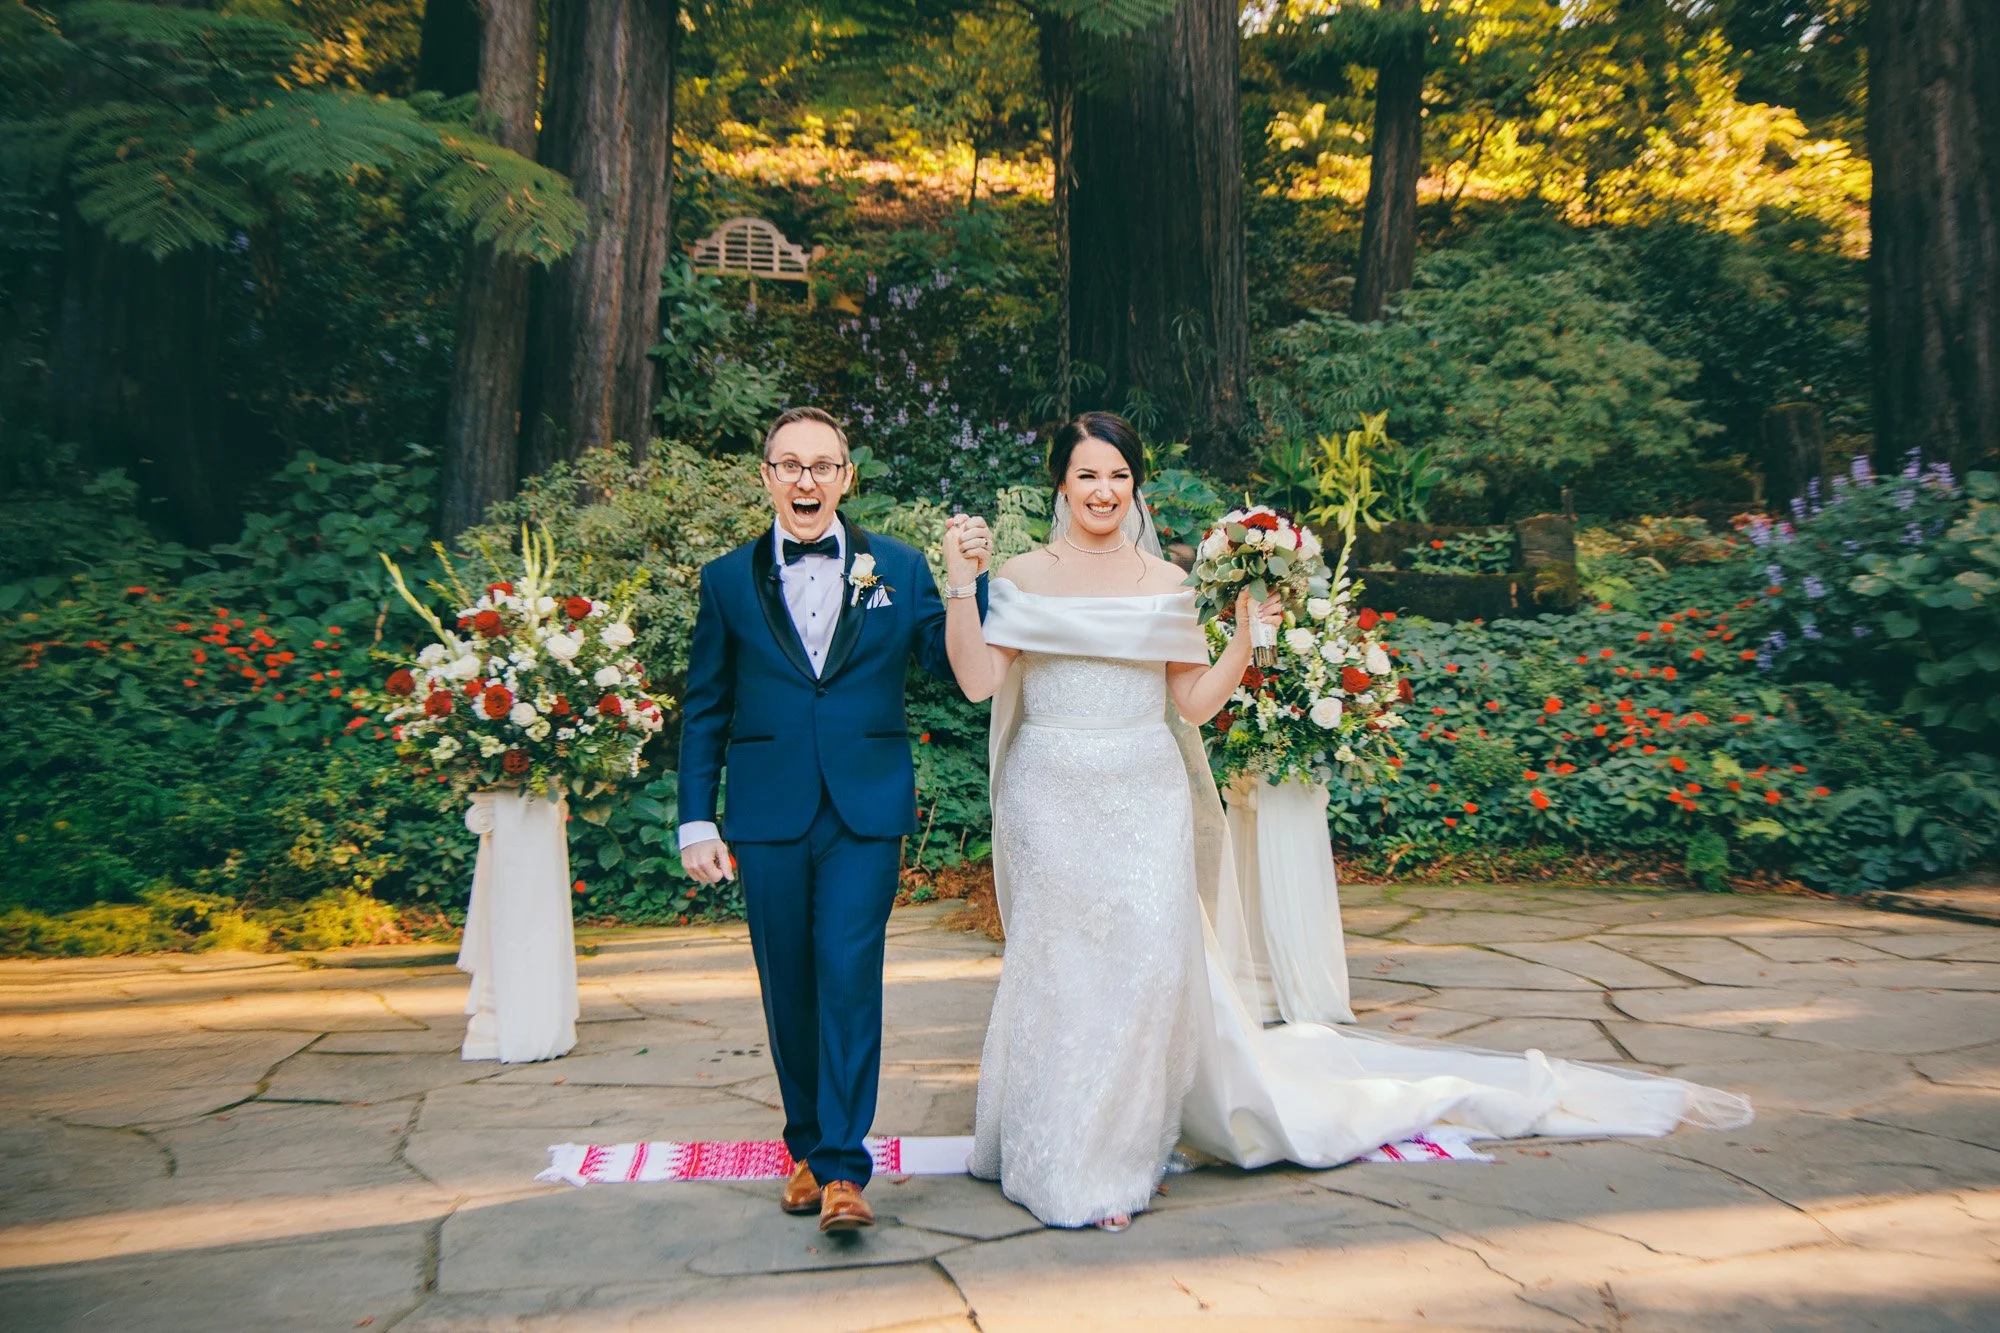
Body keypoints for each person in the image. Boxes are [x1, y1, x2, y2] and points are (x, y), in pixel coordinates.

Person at [940, 411, 1752, 1232]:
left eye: (1118, 474)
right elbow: (976, 681)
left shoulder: (1166, 583)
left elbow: (1190, 702)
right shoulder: (1022, 573)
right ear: (1060, 483)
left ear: (1136, 484)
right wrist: (957, 584)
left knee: (1144, 972)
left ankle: (1109, 1160)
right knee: (1064, 968)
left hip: (1145, 795)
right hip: (1054, 794)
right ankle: (1046, 1143)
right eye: (1087, 475)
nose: (1103, 491)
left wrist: (1246, 644)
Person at [679, 405, 990, 1233]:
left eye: (823, 465)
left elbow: (950, 656)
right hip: (766, 811)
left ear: (848, 476)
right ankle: (808, 1149)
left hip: (864, 807)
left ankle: (847, 1170)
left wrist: (971, 577)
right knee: (789, 985)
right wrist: (693, 820)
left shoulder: (900, 565)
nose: (807, 480)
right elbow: (704, 708)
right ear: (767, 478)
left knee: (849, 975)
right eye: (790, 465)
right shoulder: (723, 579)